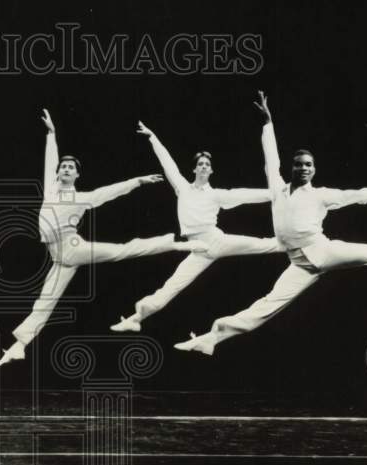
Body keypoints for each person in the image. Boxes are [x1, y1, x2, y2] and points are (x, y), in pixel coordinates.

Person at [176, 92, 367, 355]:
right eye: (298, 164)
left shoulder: (322, 195)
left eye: (308, 165)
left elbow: (360, 195)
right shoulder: (277, 189)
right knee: (266, 306)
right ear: (293, 168)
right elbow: (270, 157)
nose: (303, 168)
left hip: (322, 252)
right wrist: (268, 122)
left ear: (314, 169)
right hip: (299, 264)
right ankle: (213, 337)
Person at [0, 109, 208, 366]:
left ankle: (175, 244)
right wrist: (52, 134)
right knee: (46, 301)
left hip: (72, 247)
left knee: (123, 250)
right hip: (59, 257)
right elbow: (49, 162)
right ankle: (20, 345)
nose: (65, 169)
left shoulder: (81, 198)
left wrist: (136, 181)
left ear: (76, 175)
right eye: (63, 166)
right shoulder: (51, 188)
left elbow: (106, 193)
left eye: (70, 168)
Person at [110, 121, 280, 333]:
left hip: (216, 240)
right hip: (197, 249)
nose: (203, 166)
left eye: (207, 164)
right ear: (194, 168)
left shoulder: (215, 194)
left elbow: (243, 195)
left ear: (211, 170)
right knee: (172, 286)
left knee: (265, 245)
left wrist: (273, 195)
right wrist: (152, 136)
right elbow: (168, 163)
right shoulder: (182, 188)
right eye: (200, 164)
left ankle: (300, 243)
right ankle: (135, 319)